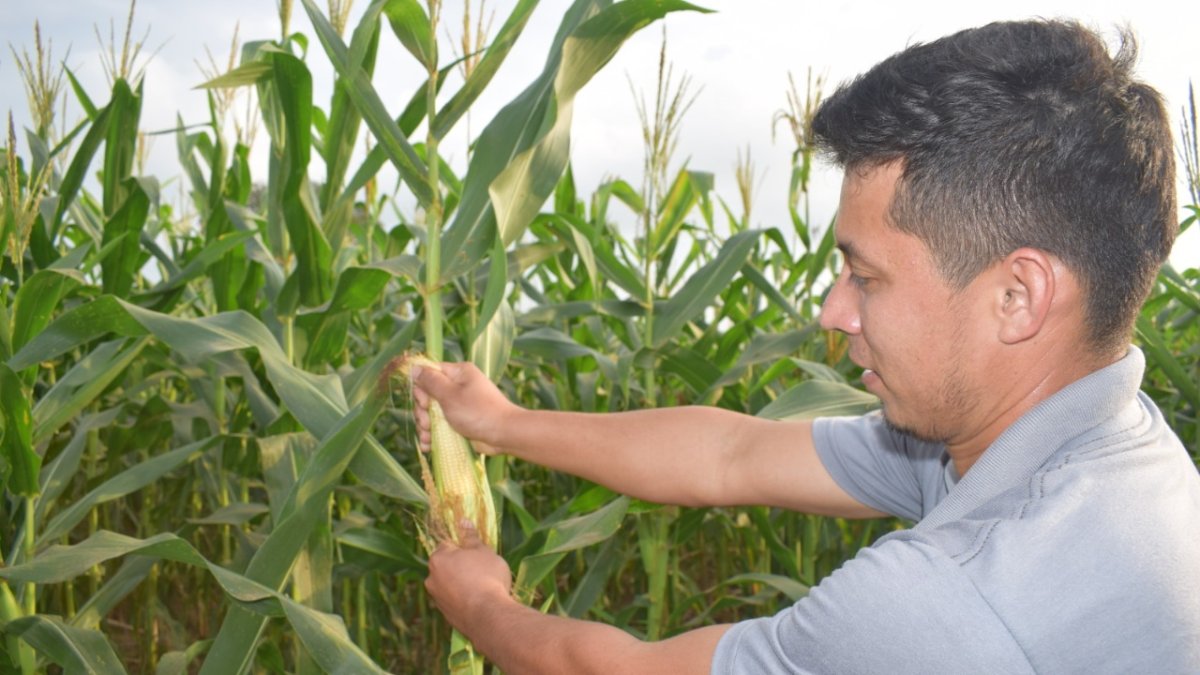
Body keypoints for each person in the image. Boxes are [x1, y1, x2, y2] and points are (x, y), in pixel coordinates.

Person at [413, 19, 1200, 673]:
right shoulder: (1093, 451)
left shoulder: (951, 601)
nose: (832, 311)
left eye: (866, 276)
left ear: (1017, 297)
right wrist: (499, 422)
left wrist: (483, 604)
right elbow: (730, 454)